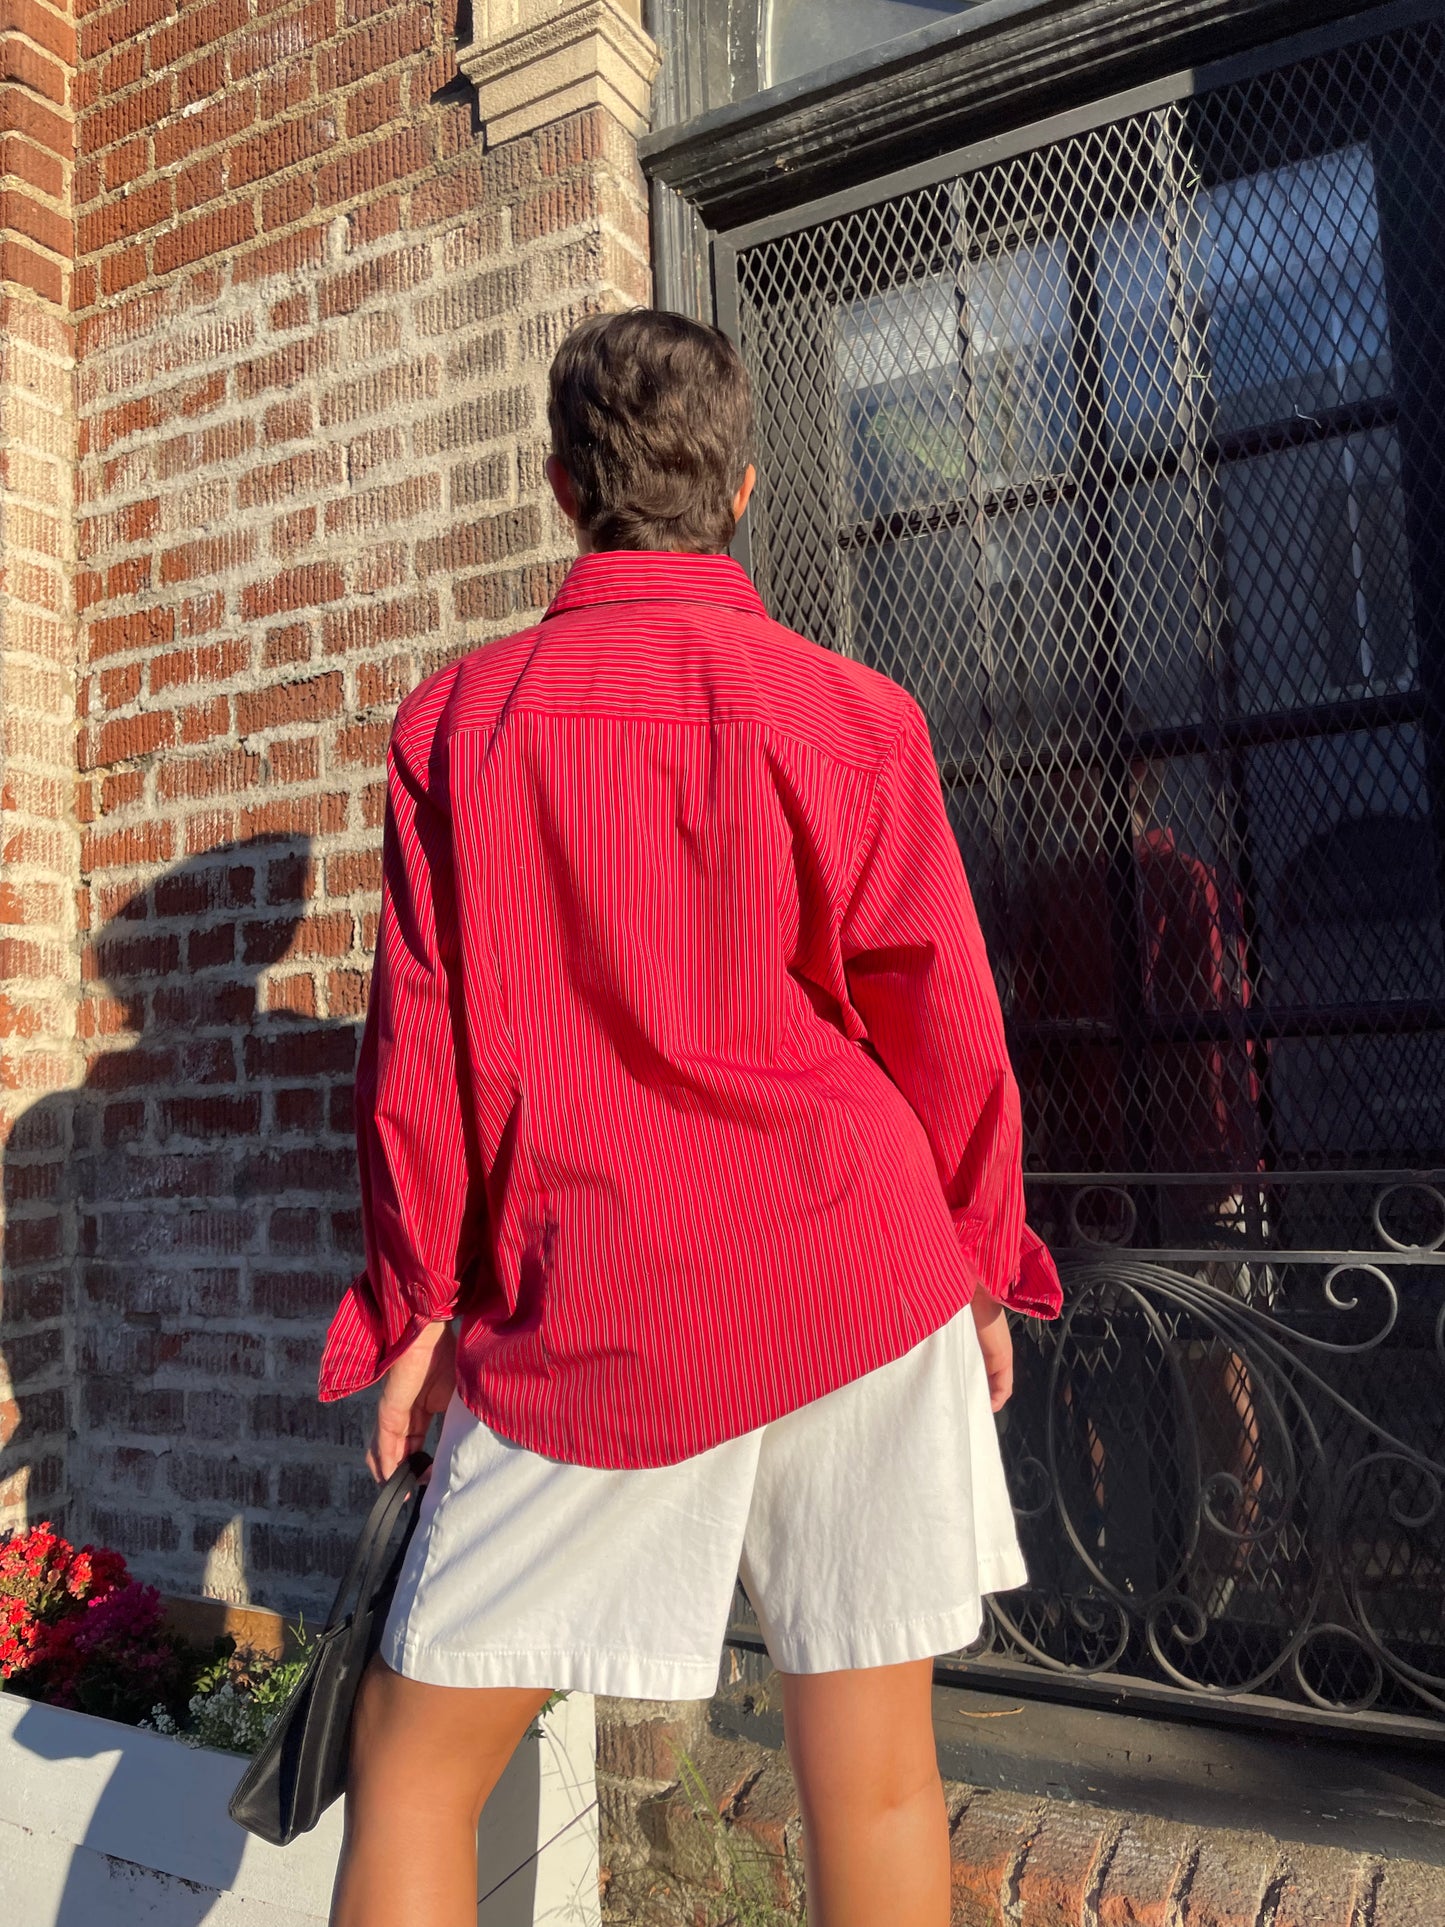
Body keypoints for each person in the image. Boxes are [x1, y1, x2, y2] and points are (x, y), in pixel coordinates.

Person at [317, 308, 1062, 1927]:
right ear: (737, 487)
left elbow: (425, 1058)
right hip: (860, 1267)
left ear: (559, 484)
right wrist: (978, 1257)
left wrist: (414, 1306)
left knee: (413, 1764)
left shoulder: (461, 724)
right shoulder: (855, 713)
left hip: (606, 1286)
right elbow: (943, 1015)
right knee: (869, 1775)